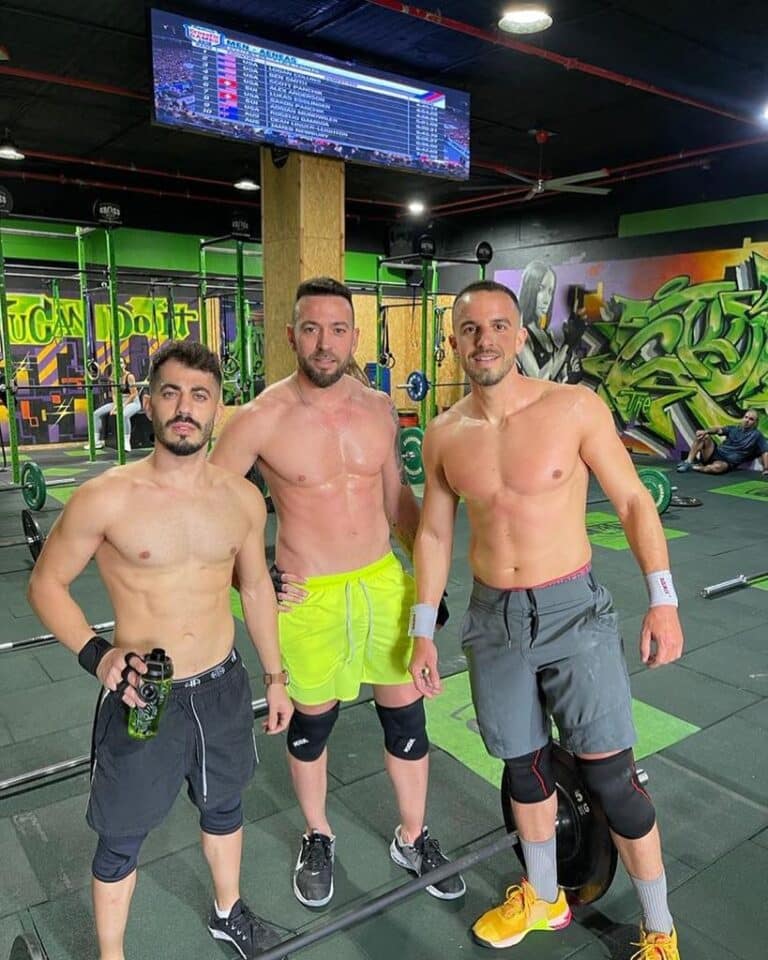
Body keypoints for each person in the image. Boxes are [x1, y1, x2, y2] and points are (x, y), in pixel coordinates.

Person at [410, 280, 684, 958]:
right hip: (493, 620)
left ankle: (659, 929)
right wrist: (422, 629)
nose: (485, 340)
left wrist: (663, 599)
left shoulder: (573, 408)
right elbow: (434, 535)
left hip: (573, 612)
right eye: (470, 329)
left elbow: (633, 502)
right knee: (524, 769)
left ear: (519, 335)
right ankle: (542, 896)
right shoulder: (444, 432)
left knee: (613, 781)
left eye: (498, 326)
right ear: (454, 342)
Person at [28, 340, 292, 960]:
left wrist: (275, 676)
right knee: (120, 837)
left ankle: (227, 912)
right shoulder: (106, 497)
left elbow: (255, 587)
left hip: (223, 686)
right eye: (170, 393)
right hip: (143, 695)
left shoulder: (242, 499)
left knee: (225, 806)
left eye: (199, 395)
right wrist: (99, 656)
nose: (184, 408)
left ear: (217, 408)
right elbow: (45, 584)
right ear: (147, 403)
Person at [210, 276, 464, 909]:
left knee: (407, 715)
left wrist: (427, 586)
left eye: (338, 329)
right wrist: (251, 575)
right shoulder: (260, 418)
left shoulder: (379, 408)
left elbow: (397, 501)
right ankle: (318, 834)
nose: (325, 343)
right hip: (308, 595)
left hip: (383, 584)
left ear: (355, 335)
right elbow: (209, 508)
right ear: (291, 334)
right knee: (311, 725)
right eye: (312, 329)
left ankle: (413, 836)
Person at [517, 261, 567, 381]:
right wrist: (568, 344)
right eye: (541, 289)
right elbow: (539, 378)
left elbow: (562, 378)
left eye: (550, 292)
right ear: (529, 290)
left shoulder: (548, 335)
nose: (546, 300)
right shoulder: (519, 336)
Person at [677, 409, 768, 475]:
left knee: (716, 468)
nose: (747, 420)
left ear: (755, 422)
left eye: (751, 419)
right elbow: (718, 430)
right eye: (746, 417)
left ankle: (695, 467)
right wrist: (706, 431)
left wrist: (766, 468)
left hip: (727, 462)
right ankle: (688, 462)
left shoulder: (757, 435)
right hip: (715, 453)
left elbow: (765, 452)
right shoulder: (733, 429)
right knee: (703, 436)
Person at [85, 363, 141, 452]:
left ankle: (126, 442)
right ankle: (95, 442)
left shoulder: (129, 376)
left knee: (123, 415)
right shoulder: (113, 378)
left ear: (124, 365)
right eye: (117, 363)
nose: (119, 365)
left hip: (132, 402)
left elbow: (134, 394)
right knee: (96, 414)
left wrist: (122, 406)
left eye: (121, 363)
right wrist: (116, 406)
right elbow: (114, 394)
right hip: (119, 402)